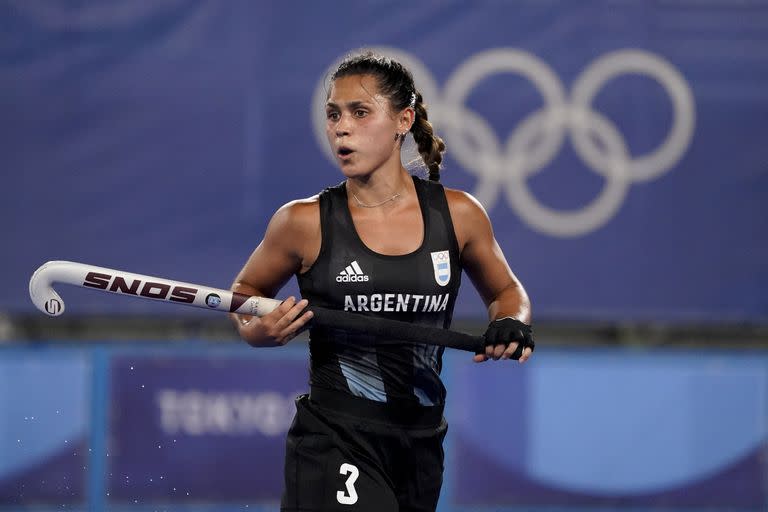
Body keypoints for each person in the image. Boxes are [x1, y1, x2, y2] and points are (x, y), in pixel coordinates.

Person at [230, 50, 534, 512]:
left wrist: (511, 320)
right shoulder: (302, 221)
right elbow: (245, 298)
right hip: (336, 440)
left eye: (359, 112)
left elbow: (507, 293)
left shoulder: (460, 214)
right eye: (333, 114)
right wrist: (258, 331)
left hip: (421, 443)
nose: (340, 128)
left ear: (403, 120)